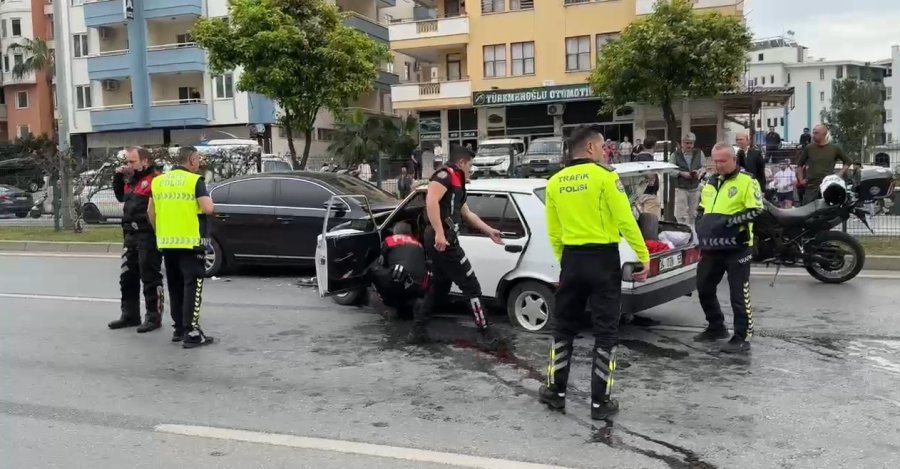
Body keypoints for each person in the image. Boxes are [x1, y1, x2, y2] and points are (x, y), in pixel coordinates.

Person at [538, 126, 651, 421]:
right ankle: (600, 403)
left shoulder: (554, 182)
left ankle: (555, 392)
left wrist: (566, 261)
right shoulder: (605, 177)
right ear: (590, 148)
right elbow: (625, 220)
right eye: (603, 148)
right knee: (605, 332)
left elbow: (554, 231)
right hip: (603, 260)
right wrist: (643, 255)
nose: (605, 153)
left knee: (563, 328)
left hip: (572, 260)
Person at [409, 145, 504, 346]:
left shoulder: (458, 181)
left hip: (447, 239)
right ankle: (487, 333)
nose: (471, 168)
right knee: (472, 287)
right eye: (470, 164)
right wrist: (440, 234)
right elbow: (431, 201)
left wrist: (489, 231)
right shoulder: (444, 175)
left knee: (439, 287)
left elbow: (467, 213)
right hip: (442, 241)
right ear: (461, 162)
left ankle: (418, 330)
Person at [693, 143, 763, 354]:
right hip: (712, 247)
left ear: (734, 160)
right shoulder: (710, 181)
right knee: (703, 286)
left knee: (738, 294)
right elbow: (702, 207)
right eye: (715, 160)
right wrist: (701, 223)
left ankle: (742, 337)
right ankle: (716, 326)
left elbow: (757, 210)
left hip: (738, 247)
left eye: (723, 161)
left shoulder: (747, 181)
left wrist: (730, 222)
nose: (718, 165)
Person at [148, 146, 216, 348]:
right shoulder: (195, 181)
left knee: (175, 286)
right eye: (198, 160)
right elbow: (208, 208)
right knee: (192, 287)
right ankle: (192, 331)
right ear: (192, 160)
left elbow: (150, 212)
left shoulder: (158, 181)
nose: (199, 164)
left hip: (167, 242)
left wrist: (160, 231)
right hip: (192, 243)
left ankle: (178, 329)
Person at [107, 146, 164, 333]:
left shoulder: (155, 179)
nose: (128, 165)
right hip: (129, 235)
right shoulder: (131, 180)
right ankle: (130, 315)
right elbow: (121, 197)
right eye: (127, 161)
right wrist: (117, 177)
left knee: (150, 276)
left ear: (145, 162)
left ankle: (153, 316)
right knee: (127, 277)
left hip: (147, 234)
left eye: (132, 162)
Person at [368, 222, 428, 320]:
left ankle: (388, 304)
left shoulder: (390, 240)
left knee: (373, 268)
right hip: (418, 287)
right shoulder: (419, 244)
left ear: (395, 232)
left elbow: (382, 262)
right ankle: (410, 303)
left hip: (398, 282)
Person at [797, 124, 852, 206]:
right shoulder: (809, 148)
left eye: (816, 133)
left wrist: (839, 174)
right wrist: (801, 180)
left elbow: (848, 161)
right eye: (813, 133)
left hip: (827, 187)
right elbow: (799, 165)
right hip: (811, 186)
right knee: (807, 213)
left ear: (824, 134)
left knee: (826, 214)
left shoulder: (834, 148)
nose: (813, 135)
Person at [673, 132, 705, 226]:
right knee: (681, 214)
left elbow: (704, 167)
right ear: (682, 143)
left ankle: (693, 232)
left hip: (695, 188)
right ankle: (683, 232)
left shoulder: (699, 153)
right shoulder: (675, 155)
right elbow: (670, 169)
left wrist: (698, 172)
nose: (689, 145)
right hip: (681, 188)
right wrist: (681, 173)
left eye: (691, 143)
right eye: (687, 143)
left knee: (694, 213)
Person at [632, 137, 660, 215]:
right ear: (654, 146)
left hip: (638, 194)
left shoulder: (637, 158)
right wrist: (652, 180)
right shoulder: (648, 159)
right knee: (650, 221)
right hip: (649, 194)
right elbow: (650, 176)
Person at [736, 132, 766, 196]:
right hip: (739, 188)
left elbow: (761, 173)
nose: (739, 141)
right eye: (737, 140)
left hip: (753, 187)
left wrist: (762, 189)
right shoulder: (735, 154)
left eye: (741, 139)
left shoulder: (756, 154)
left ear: (748, 141)